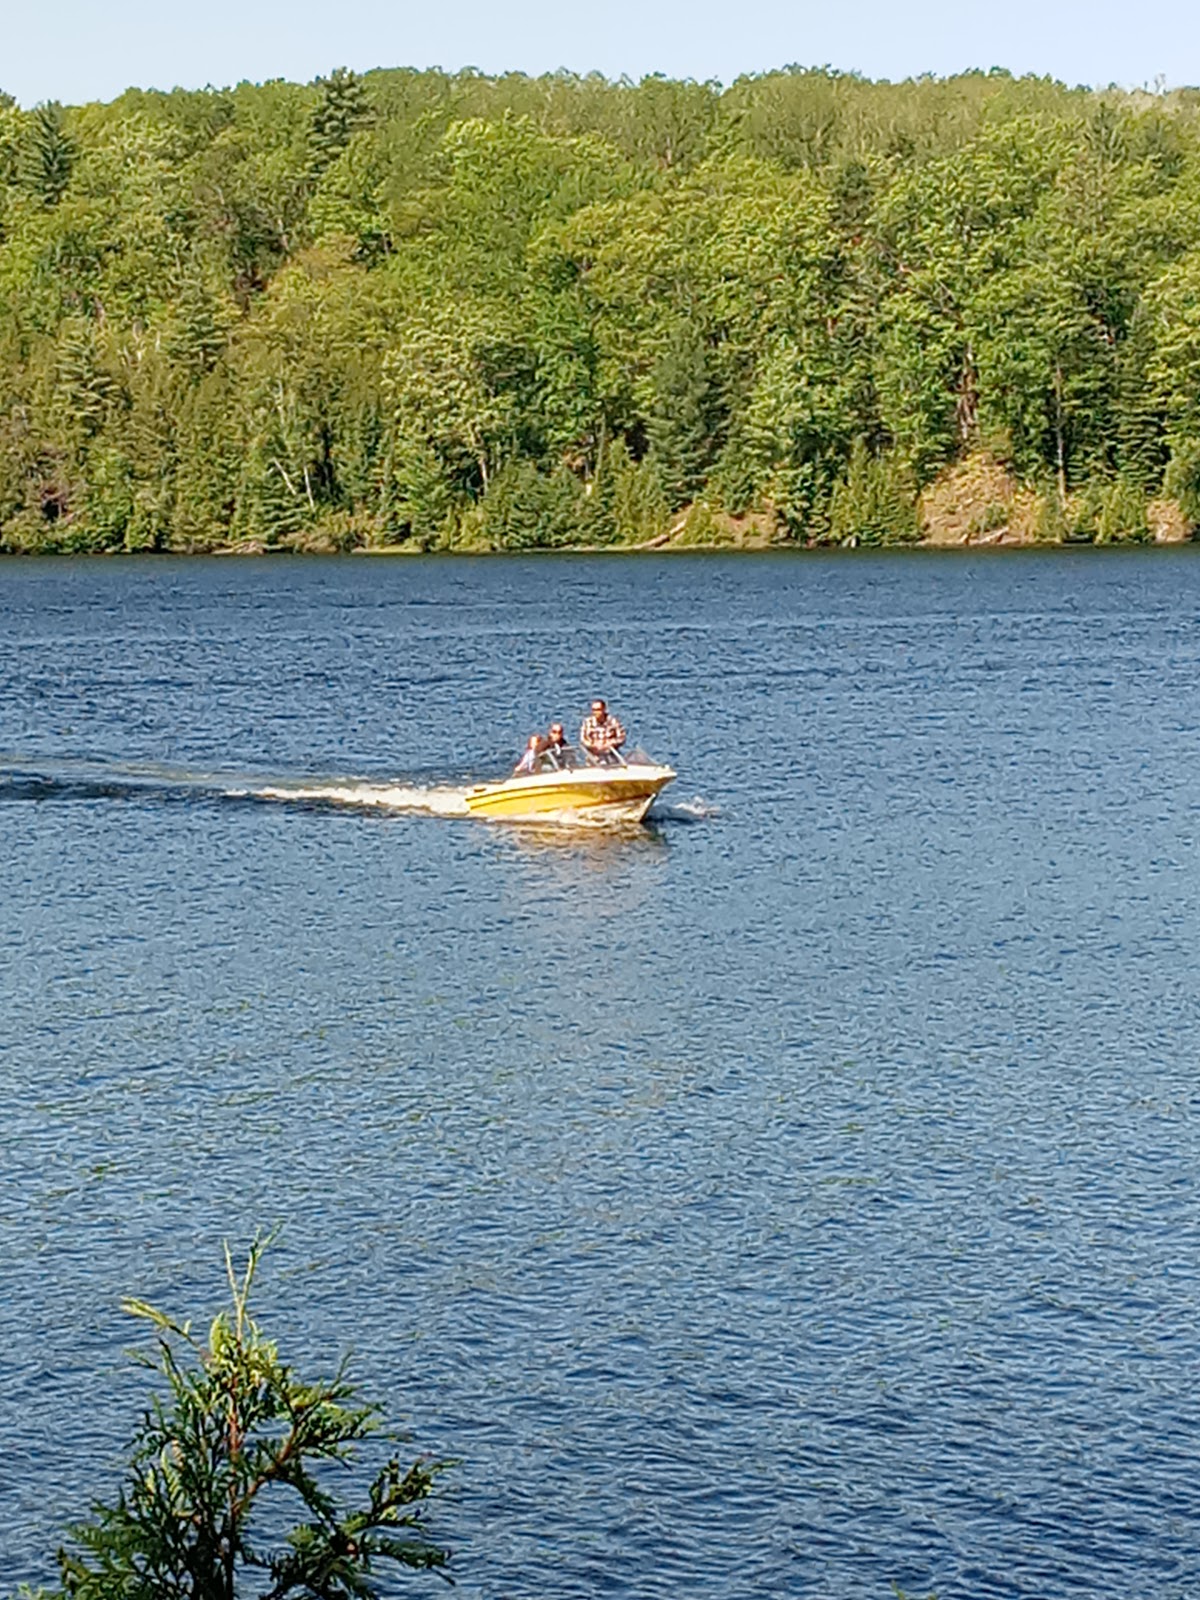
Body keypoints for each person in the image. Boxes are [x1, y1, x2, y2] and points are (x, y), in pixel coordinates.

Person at [579, 698, 626, 763]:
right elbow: (583, 739)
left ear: (604, 709)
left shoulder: (613, 721)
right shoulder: (587, 722)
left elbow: (621, 738)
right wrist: (593, 745)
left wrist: (609, 744)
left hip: (610, 755)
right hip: (593, 757)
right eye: (594, 710)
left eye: (598, 710)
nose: (596, 712)